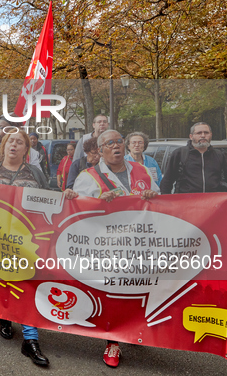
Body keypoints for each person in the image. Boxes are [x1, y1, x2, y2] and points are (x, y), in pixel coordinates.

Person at [0, 130, 69, 367]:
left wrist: (67, 195)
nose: (14, 145)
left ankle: (30, 339)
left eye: (20, 142)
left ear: (27, 149)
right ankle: (5, 317)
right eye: (10, 141)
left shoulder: (35, 172)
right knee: (1, 279)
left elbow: (48, 198)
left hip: (27, 238)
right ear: (3, 146)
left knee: (27, 283)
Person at [72, 129, 159, 368]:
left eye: (119, 141)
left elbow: (160, 201)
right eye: (109, 143)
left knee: (138, 291)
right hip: (107, 247)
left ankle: (134, 330)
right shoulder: (88, 177)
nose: (116, 146)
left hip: (140, 245)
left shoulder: (142, 171)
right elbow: (76, 211)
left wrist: (153, 195)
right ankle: (113, 342)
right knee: (113, 295)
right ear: (100, 151)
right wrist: (98, 203)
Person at [160, 122, 227, 194]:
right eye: (199, 133)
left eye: (206, 133)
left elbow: (226, 182)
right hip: (186, 204)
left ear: (211, 135)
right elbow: (167, 181)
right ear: (191, 136)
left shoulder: (219, 155)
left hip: (212, 204)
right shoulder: (179, 154)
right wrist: (166, 203)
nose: (203, 135)